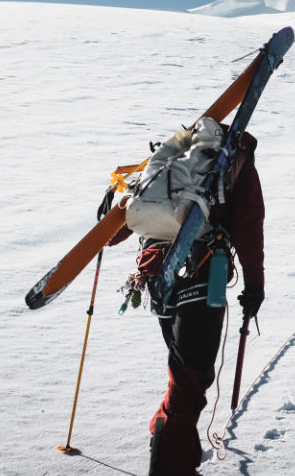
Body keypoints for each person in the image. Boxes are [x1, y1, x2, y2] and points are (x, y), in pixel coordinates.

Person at [109, 117, 265, 476]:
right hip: (203, 274)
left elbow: (131, 211)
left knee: (185, 372)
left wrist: (108, 234)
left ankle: (169, 439)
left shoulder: (176, 157)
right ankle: (170, 460)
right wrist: (254, 285)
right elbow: (249, 224)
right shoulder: (236, 161)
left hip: (157, 277)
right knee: (190, 376)